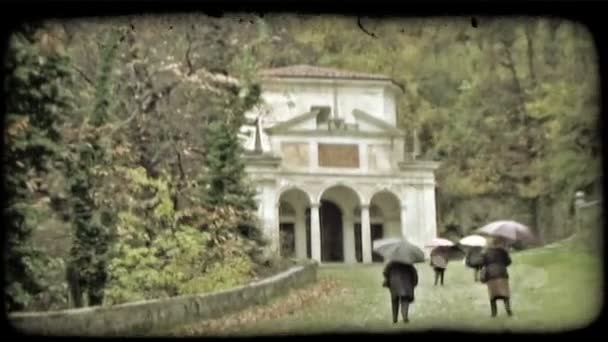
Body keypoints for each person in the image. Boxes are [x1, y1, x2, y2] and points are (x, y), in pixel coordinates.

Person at [480, 237, 513, 317]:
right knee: (505, 293)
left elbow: (482, 263)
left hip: (490, 274)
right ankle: (508, 310)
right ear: (498, 243)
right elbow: (508, 262)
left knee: (493, 295)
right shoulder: (503, 251)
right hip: (502, 273)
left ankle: (494, 313)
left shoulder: (485, 252)